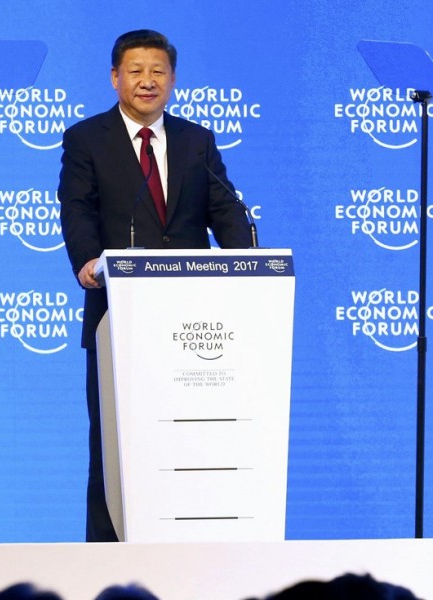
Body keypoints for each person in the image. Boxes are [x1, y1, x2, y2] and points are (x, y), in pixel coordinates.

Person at [58, 28, 251, 542]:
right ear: (115, 78)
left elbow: (224, 209)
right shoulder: (86, 139)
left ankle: (195, 545)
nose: (148, 81)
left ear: (173, 79)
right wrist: (87, 259)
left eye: (158, 71)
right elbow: (77, 208)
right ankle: (107, 555)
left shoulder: (196, 141)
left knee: (189, 439)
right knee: (115, 444)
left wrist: (248, 262)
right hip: (118, 315)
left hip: (192, 320)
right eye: (136, 71)